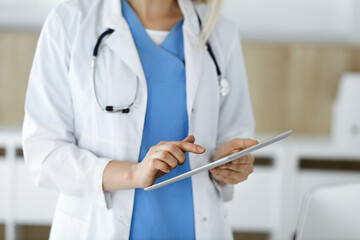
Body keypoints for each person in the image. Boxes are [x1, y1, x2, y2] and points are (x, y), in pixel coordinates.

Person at [22, 0, 257, 239]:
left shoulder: (218, 30)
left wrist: (228, 163)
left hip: (194, 228)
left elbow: (232, 135)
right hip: (99, 228)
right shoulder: (68, 23)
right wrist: (133, 174)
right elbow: (44, 152)